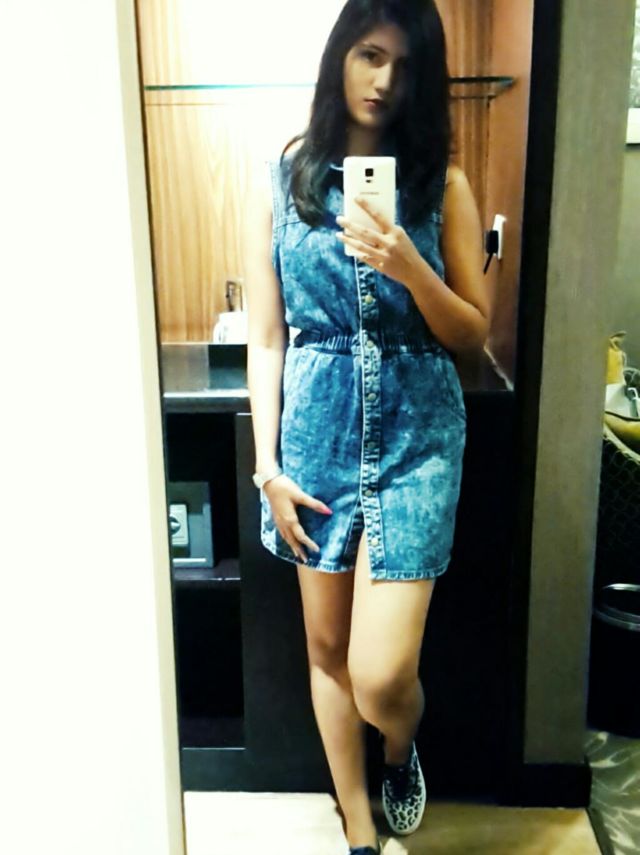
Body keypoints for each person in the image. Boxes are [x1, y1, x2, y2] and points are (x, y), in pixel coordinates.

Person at [244, 1, 490, 852]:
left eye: (405, 65)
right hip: (316, 439)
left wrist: (410, 266)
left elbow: (471, 332)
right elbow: (268, 337)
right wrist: (267, 467)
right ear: (339, 56)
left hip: (418, 440)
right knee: (326, 649)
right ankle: (357, 822)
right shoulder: (283, 180)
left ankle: (397, 743)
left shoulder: (442, 185)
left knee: (381, 675)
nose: (384, 80)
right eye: (369, 55)